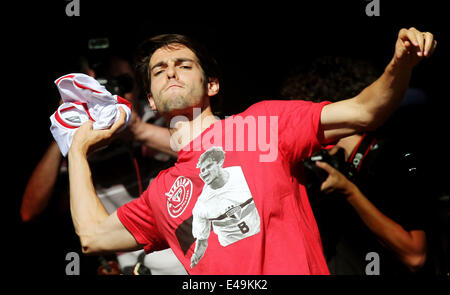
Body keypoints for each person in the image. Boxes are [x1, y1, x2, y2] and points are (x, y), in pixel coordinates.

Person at [66, 28, 437, 274]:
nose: (171, 72)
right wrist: (77, 151)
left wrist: (399, 64)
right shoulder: (162, 190)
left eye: (184, 64)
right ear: (150, 98)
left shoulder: (260, 126)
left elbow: (364, 111)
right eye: (159, 70)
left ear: (211, 84)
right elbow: (92, 236)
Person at [20, 50, 186, 275]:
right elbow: (30, 211)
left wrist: (137, 129)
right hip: (130, 261)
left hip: (184, 252)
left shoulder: (158, 115)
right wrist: (66, 129)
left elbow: (205, 150)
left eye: (120, 82)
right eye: (103, 84)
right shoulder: (86, 138)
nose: (112, 89)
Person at [282, 55, 434, 274]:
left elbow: (415, 255)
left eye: (311, 119)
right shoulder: (329, 170)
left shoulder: (391, 157)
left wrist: (349, 191)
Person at [190, 146, 261, 268]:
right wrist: (196, 257)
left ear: (220, 162)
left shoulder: (243, 174)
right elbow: (202, 241)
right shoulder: (201, 205)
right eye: (202, 170)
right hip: (234, 253)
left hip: (260, 240)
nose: (205, 173)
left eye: (208, 166)